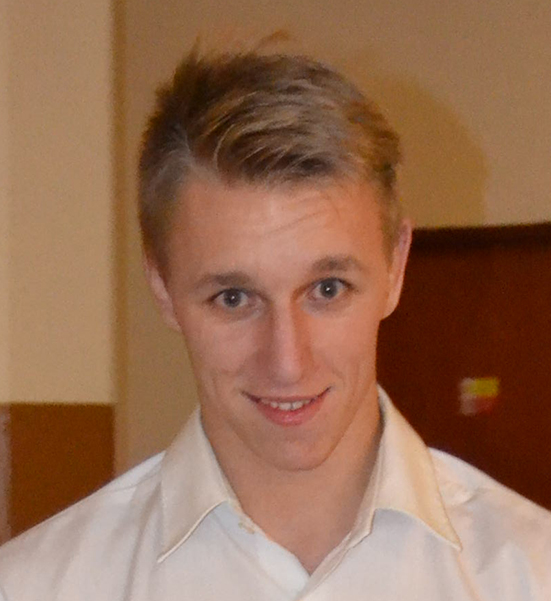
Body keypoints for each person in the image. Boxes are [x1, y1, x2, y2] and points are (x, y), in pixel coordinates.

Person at [0, 47, 549, 601]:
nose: (287, 362)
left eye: (328, 289)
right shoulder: (37, 586)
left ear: (396, 267)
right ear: (162, 288)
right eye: (234, 298)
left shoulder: (531, 573)